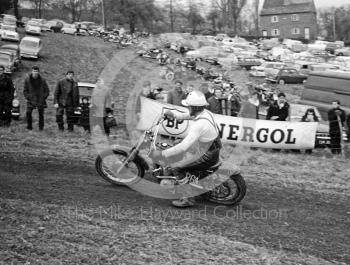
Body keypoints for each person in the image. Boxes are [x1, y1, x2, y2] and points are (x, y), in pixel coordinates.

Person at [151, 91, 222, 208]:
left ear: (194, 107)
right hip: (208, 148)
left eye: (189, 106)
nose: (187, 107)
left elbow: (184, 146)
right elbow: (188, 115)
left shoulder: (200, 124)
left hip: (206, 155)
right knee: (176, 144)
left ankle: (188, 198)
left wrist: (163, 153)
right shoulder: (205, 113)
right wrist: (173, 115)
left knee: (176, 167)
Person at [23, 66, 50, 131]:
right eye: (34, 71)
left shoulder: (42, 80)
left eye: (36, 71)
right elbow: (25, 90)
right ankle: (29, 127)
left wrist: (44, 97)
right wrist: (28, 97)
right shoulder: (27, 80)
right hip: (31, 99)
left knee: (41, 114)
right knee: (28, 112)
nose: (35, 72)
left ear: (38, 72)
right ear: (32, 71)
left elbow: (47, 90)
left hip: (40, 99)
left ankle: (41, 128)